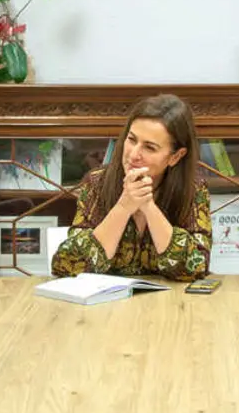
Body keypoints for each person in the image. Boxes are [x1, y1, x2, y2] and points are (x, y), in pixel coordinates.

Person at [51, 93, 212, 281]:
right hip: (107, 298)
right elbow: (67, 266)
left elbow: (196, 267)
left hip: (171, 299)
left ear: (175, 157)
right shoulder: (97, 183)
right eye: (132, 140)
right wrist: (124, 206)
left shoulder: (193, 189)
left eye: (149, 147)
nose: (133, 155)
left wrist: (148, 206)